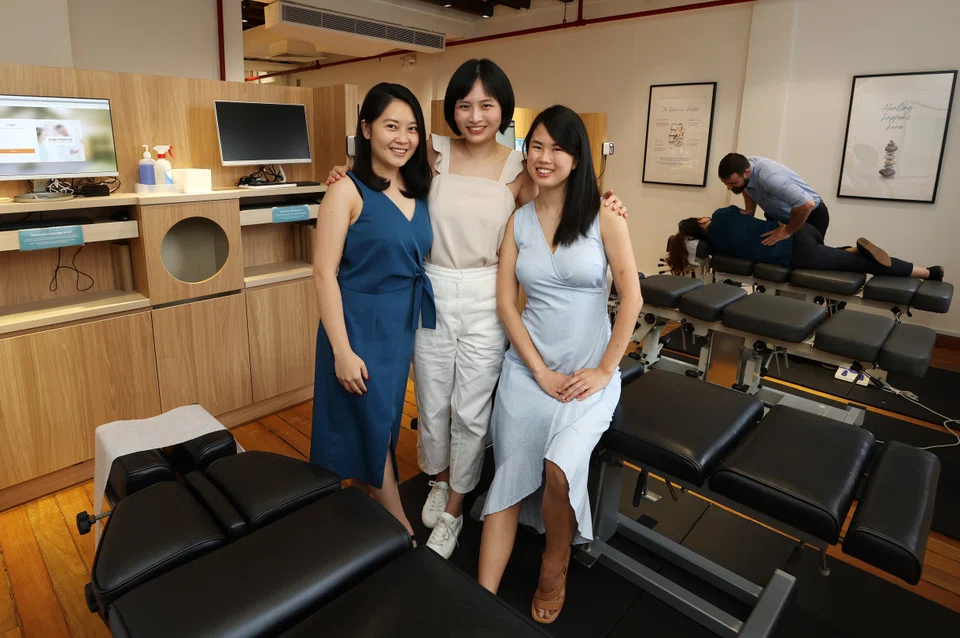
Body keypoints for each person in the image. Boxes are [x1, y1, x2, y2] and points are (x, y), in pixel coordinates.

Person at [326, 59, 628, 559]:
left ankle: (456, 505)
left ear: (503, 110)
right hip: (431, 286)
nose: (475, 116)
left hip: (488, 293)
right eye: (464, 105)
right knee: (432, 401)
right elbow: (382, 169)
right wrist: (344, 173)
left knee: (471, 409)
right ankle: (441, 477)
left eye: (486, 105)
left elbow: (562, 202)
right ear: (452, 110)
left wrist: (608, 204)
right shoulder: (432, 152)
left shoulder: (520, 167)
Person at [477, 105, 642, 625]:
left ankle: (556, 561)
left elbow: (632, 299)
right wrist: (538, 371)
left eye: (557, 148)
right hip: (529, 371)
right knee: (507, 475)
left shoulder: (604, 217)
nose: (544, 158)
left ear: (576, 158)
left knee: (557, 470)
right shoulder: (518, 222)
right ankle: (478, 602)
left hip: (587, 375)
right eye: (536, 146)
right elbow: (507, 305)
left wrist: (605, 371)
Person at [310, 82, 436, 541]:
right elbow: (324, 273)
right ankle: (399, 525)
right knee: (368, 420)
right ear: (366, 129)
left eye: (412, 128)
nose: (402, 138)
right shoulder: (345, 191)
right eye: (391, 126)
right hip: (358, 323)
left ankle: (367, 516)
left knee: (381, 418)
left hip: (400, 323)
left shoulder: (420, 187)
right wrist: (342, 351)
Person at [666, 205, 944, 281]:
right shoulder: (721, 213)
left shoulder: (715, 247)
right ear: (700, 219)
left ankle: (926, 273)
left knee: (860, 264)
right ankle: (851, 249)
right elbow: (745, 211)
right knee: (843, 257)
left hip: (796, 252)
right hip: (800, 232)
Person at [718, 153, 829, 246]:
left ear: (747, 173)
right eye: (726, 183)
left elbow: (806, 204)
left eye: (733, 183)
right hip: (781, 216)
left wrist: (787, 231)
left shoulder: (769, 178)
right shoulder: (743, 168)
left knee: (805, 257)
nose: (729, 188)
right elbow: (745, 186)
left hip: (809, 215)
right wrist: (750, 210)